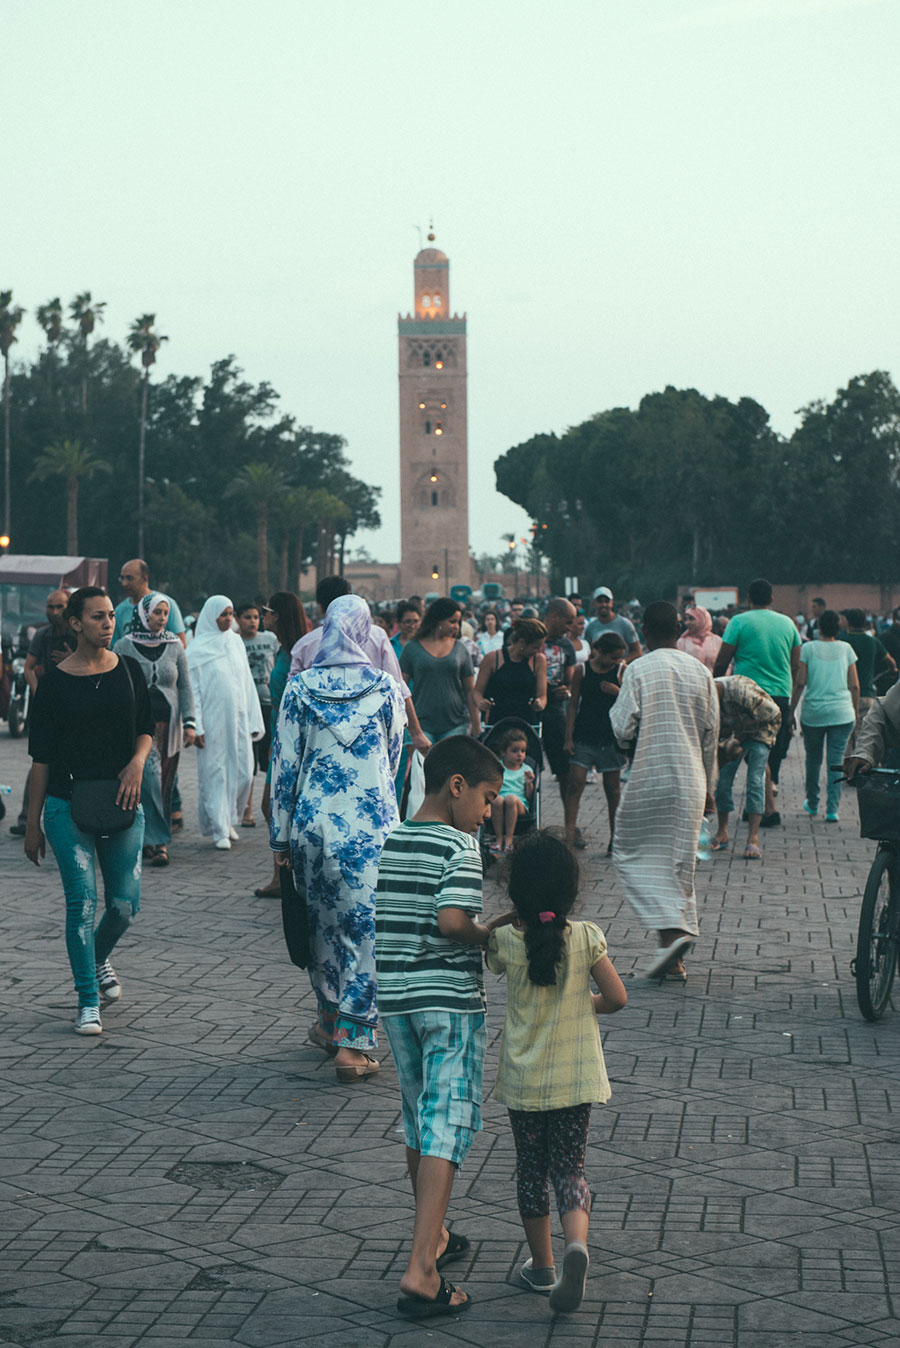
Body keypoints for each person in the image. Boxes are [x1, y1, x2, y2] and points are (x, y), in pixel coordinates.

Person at [375, 736, 512, 1318]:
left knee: (418, 1119)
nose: (488, 812)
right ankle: (422, 1271)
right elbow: (453, 921)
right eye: (487, 798)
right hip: (448, 1003)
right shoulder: (460, 845)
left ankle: (434, 1236)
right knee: (446, 1124)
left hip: (397, 1002)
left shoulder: (395, 839)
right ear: (456, 786)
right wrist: (491, 932)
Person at [485, 831, 626, 1311]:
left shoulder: (506, 941)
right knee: (570, 1170)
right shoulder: (587, 938)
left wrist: (510, 915)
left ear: (515, 892)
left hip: (525, 1084)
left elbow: (484, 938)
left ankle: (542, 1268)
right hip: (575, 1079)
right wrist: (587, 1003)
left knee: (531, 1170)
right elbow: (617, 998)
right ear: (572, 892)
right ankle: (576, 1246)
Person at [271, 595, 406, 1079]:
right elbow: (393, 759)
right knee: (368, 931)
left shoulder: (300, 687)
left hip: (312, 826)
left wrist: (279, 838)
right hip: (371, 829)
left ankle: (330, 1023)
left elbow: (284, 768)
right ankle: (353, 1044)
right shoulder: (386, 688)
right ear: (365, 631)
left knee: (322, 928)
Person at [24, 587, 153, 1035]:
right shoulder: (55, 682)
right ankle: (87, 1000)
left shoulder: (131, 671)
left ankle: (97, 958)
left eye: (110, 617)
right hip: (65, 805)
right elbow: (40, 759)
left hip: (123, 800)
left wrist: (137, 763)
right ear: (76, 623)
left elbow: (145, 729)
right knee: (82, 903)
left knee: (124, 906)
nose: (108, 624)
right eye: (97, 617)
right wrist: (32, 823)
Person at [611, 601, 719, 981]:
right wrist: (710, 787)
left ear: (642, 631)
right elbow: (711, 735)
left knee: (631, 854)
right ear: (678, 630)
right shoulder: (700, 672)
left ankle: (672, 943)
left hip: (650, 775)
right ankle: (674, 944)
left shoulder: (638, 669)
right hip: (691, 778)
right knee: (679, 864)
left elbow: (622, 727)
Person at [292, 576, 430, 756]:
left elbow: (292, 710)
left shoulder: (304, 646)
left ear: (320, 606)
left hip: (319, 745)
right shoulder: (378, 639)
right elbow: (398, 689)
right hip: (372, 744)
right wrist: (416, 732)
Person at [114, 593, 196, 867]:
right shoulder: (125, 646)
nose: (161, 618)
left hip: (169, 727)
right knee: (148, 779)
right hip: (139, 729)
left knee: (164, 784)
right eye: (156, 612)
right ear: (143, 613)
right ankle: (157, 843)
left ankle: (151, 839)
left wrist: (190, 722)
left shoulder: (175, 645)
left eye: (165, 613)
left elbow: (184, 685)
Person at [714, 578, 801, 827]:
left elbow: (722, 661)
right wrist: (789, 693)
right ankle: (764, 808)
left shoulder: (739, 622)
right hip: (779, 695)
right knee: (762, 752)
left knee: (737, 749)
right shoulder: (788, 624)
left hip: (745, 695)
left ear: (748, 599)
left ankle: (752, 809)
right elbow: (796, 664)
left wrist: (714, 684)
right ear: (772, 599)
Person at [187, 595, 265, 850]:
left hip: (239, 719)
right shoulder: (196, 651)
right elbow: (193, 691)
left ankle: (231, 818)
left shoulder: (235, 642)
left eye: (230, 614)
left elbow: (246, 683)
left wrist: (254, 718)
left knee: (243, 771)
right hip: (212, 721)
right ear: (211, 615)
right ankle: (219, 828)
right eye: (223, 614)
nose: (227, 619)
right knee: (216, 773)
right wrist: (196, 725)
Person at [253, 591, 308, 898]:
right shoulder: (284, 649)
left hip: (290, 737)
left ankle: (286, 874)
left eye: (267, 611)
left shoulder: (300, 652)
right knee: (274, 806)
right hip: (278, 731)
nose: (263, 616)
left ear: (279, 616)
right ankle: (281, 874)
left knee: (273, 805)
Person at [10, 589, 74, 837]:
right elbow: (28, 668)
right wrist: (39, 694)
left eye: (59, 607)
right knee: (40, 760)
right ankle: (27, 818)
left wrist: (72, 658)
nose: (54, 613)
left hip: (74, 705)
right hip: (50, 706)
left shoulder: (77, 634)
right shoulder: (43, 635)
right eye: (50, 607)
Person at [790, 608, 859, 822]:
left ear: (818, 627)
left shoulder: (808, 649)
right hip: (841, 712)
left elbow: (801, 682)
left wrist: (791, 710)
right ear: (838, 628)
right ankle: (832, 809)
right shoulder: (846, 648)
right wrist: (854, 711)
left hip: (814, 713)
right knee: (836, 760)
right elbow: (854, 685)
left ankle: (812, 803)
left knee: (813, 760)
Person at [564, 632, 628, 855]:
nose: (616, 662)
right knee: (575, 785)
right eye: (613, 657)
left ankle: (616, 840)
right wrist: (569, 737)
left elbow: (630, 703)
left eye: (620, 658)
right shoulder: (582, 670)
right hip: (584, 735)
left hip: (611, 738)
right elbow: (573, 705)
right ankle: (569, 839)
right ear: (599, 652)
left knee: (613, 789)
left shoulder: (622, 671)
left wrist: (617, 692)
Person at [710, 676, 782, 860]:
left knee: (755, 780)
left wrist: (739, 736)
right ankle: (722, 832)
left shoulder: (740, 691)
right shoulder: (708, 695)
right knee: (724, 778)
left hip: (762, 729)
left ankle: (753, 839)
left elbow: (774, 713)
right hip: (737, 731)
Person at [400, 598, 481, 742]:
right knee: (422, 764)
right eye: (452, 621)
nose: (456, 627)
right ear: (438, 621)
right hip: (420, 724)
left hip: (455, 724)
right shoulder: (412, 648)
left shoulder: (460, 649)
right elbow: (401, 688)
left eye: (458, 622)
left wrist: (476, 725)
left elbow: (469, 690)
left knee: (452, 765)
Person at [236, 601, 279, 827]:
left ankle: (273, 804)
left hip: (270, 705)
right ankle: (247, 810)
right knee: (249, 760)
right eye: (247, 617)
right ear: (237, 619)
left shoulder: (270, 640)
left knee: (272, 757)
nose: (252, 621)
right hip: (246, 708)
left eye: (255, 617)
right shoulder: (234, 642)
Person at [474, 617, 548, 726]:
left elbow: (542, 695)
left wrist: (540, 703)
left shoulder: (539, 660)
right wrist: (480, 702)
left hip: (527, 721)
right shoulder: (492, 659)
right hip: (498, 720)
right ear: (522, 642)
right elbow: (477, 692)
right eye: (535, 647)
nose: (538, 651)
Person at [840, 608, 896, 749]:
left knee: (845, 741)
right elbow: (891, 662)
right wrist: (892, 670)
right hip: (867, 695)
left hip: (845, 697)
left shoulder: (843, 642)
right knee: (865, 740)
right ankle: (864, 768)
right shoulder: (872, 641)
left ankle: (847, 769)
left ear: (848, 622)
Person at [113, 559, 186, 646]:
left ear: (144, 579)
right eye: (122, 578)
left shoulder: (166, 605)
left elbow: (181, 645)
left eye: (129, 578)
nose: (124, 583)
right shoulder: (119, 611)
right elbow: (114, 647)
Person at [489, 726, 535, 853]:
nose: (520, 754)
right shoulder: (498, 767)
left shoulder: (526, 770)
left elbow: (530, 797)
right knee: (497, 799)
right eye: (515, 751)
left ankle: (509, 839)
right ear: (504, 752)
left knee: (511, 799)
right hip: (499, 803)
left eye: (523, 751)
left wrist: (529, 783)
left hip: (519, 804)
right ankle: (499, 838)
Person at [583, 588, 642, 661]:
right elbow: (589, 653)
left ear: (612, 603)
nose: (603, 604)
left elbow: (637, 652)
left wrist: (622, 663)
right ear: (594, 603)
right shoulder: (590, 627)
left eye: (607, 601)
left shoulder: (625, 624)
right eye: (600, 601)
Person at [676, 606, 723, 673]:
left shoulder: (717, 641)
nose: (687, 623)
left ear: (702, 619)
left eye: (691, 619)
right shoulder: (681, 642)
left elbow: (725, 665)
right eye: (686, 619)